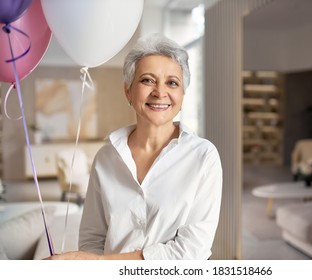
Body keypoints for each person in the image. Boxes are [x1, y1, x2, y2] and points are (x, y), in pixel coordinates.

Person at [46, 34, 223, 260]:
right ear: (128, 91)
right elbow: (92, 238)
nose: (160, 92)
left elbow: (192, 250)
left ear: (182, 94)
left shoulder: (203, 157)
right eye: (147, 80)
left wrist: (103, 263)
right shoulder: (106, 158)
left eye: (172, 82)